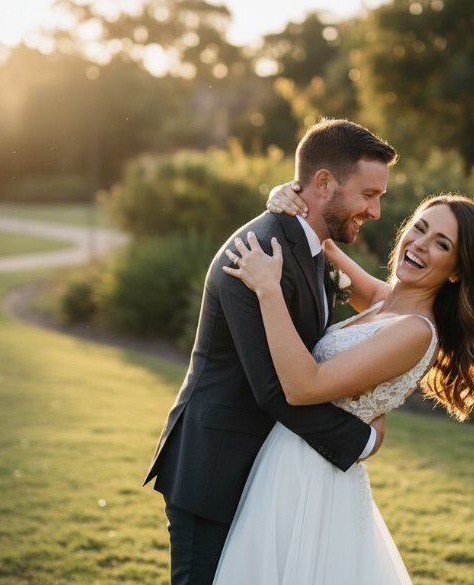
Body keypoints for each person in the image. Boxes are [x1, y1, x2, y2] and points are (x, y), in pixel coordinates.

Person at [143, 118, 398, 585]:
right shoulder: (256, 254)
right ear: (324, 183)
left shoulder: (312, 246)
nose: (376, 210)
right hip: (215, 468)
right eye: (368, 194)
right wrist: (360, 440)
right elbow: (274, 388)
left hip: (266, 474)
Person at [211, 187, 474, 584]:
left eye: (441, 244)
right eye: (420, 228)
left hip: (312, 476)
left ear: (456, 271)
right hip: (290, 457)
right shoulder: (386, 302)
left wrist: (268, 289)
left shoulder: (415, 331)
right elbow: (322, 241)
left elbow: (302, 387)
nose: (419, 244)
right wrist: (286, 195)